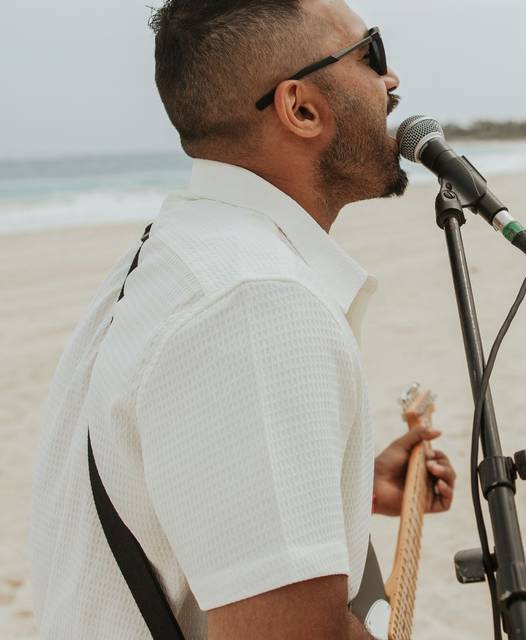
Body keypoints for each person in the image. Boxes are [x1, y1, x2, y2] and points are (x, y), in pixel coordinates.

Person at [31, 2, 456, 638]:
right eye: (372, 54)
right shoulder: (255, 300)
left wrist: (339, 484)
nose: (391, 82)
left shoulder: (175, 252)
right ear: (301, 108)